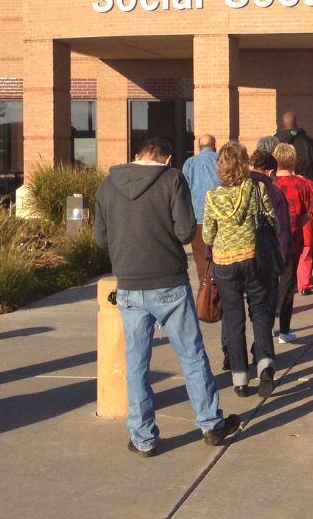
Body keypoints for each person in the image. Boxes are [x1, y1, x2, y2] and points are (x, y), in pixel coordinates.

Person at [93, 137, 240, 456]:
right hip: (169, 283)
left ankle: (143, 438)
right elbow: (186, 232)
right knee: (192, 354)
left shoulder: (107, 186)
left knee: (136, 363)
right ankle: (211, 424)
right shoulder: (172, 179)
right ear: (168, 158)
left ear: (136, 155)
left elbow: (101, 239)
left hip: (129, 284)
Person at [203, 142, 280, 398]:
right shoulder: (256, 188)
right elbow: (272, 220)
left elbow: (207, 235)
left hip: (225, 263)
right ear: (244, 164)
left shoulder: (212, 197)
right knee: (260, 311)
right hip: (253, 258)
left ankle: (240, 379)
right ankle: (265, 366)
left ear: (221, 167)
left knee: (233, 318)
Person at [272, 142, 313, 338]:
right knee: (287, 285)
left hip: (271, 241)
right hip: (292, 240)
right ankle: (284, 330)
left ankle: (267, 327)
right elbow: (308, 214)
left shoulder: (269, 184)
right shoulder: (302, 184)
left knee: (269, 285)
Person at [249, 148, 292, 341]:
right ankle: (262, 347)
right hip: (266, 255)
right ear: (272, 172)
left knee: (235, 312)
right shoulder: (274, 192)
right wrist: (282, 259)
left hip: (239, 254)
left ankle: (232, 353)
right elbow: (282, 230)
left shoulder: (236, 188)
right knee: (264, 306)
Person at [180, 134, 219, 295]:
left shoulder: (190, 163)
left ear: (198, 147)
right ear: (215, 146)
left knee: (201, 259)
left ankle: (206, 291)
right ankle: (218, 288)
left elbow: (184, 191)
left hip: (198, 219)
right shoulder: (221, 160)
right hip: (220, 218)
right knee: (220, 257)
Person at [275, 111, 313, 183]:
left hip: (280, 184)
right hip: (307, 185)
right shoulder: (310, 143)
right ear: (296, 123)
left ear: (282, 123)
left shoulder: (276, 144)